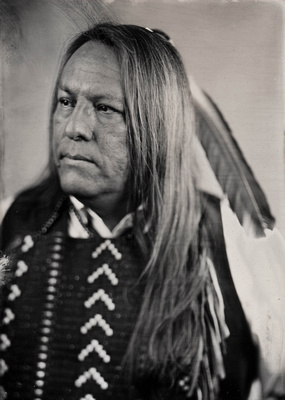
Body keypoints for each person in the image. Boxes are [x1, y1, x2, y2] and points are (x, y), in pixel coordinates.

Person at [0, 23, 284, 400]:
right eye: (66, 101)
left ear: (156, 128)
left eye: (104, 108)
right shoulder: (11, 223)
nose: (74, 127)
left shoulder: (232, 242)